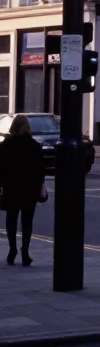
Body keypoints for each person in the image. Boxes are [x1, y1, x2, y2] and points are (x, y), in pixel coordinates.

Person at [0, 114, 45, 266]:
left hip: (11, 188)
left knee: (11, 220)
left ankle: (12, 249)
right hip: (29, 189)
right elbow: (40, 170)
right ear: (27, 127)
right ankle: (25, 251)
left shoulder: (6, 144)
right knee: (27, 221)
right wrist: (39, 187)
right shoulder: (34, 145)